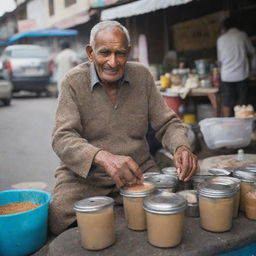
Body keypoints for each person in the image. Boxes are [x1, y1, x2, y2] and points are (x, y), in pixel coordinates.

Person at [49, 20, 199, 235]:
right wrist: (102, 157)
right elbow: (62, 137)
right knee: (60, 216)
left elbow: (168, 123)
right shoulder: (72, 82)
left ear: (128, 52)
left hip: (138, 173)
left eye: (120, 53)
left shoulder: (142, 75)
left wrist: (181, 147)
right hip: (86, 179)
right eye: (105, 53)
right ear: (90, 53)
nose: (113, 62)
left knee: (169, 209)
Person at [217, 17, 256, 117]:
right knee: (241, 103)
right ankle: (240, 125)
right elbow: (252, 51)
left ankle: (226, 125)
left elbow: (220, 61)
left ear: (225, 27)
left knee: (226, 103)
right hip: (241, 75)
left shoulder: (221, 39)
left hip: (226, 76)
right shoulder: (242, 35)